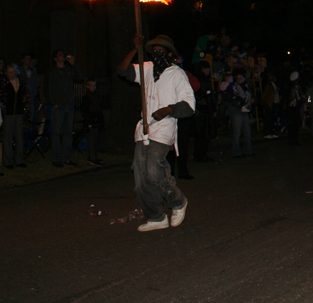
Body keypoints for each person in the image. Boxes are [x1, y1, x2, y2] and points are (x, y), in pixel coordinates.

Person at [118, 34, 195, 232]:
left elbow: (189, 105)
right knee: (140, 175)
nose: (157, 53)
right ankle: (156, 217)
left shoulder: (177, 74)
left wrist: (169, 109)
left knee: (153, 169)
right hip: (144, 128)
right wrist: (136, 49)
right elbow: (123, 70)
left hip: (164, 128)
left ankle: (177, 201)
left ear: (170, 54)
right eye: (154, 51)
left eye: (161, 51)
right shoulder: (147, 68)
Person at [43, 49, 84, 168]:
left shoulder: (68, 70)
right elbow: (46, 88)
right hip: (58, 107)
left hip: (69, 106)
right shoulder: (52, 72)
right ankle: (57, 159)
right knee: (56, 133)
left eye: (63, 54)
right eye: (60, 55)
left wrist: (73, 64)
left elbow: (80, 78)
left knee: (67, 133)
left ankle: (66, 158)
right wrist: (53, 102)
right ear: (55, 58)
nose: (63, 56)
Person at [0, 63, 29, 169]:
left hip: (19, 112)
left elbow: (25, 97)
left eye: (11, 72)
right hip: (8, 113)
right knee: (7, 137)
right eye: (7, 72)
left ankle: (19, 159)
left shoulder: (21, 82)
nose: (9, 74)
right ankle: (7, 161)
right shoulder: (4, 83)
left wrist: (25, 110)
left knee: (19, 137)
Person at [193, 61, 217, 162]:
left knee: (199, 135)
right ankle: (202, 156)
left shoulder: (195, 78)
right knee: (204, 134)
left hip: (199, 110)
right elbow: (208, 96)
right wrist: (213, 109)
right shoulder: (204, 80)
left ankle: (198, 155)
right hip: (204, 111)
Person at [229, 69, 254, 158]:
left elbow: (251, 96)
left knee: (247, 131)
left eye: (240, 78)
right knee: (237, 132)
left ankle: (248, 150)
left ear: (244, 78)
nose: (238, 80)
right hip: (237, 110)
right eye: (237, 78)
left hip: (245, 109)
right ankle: (236, 152)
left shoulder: (247, 87)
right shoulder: (234, 87)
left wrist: (252, 100)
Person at [81, 78, 105, 167]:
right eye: (91, 85)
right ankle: (92, 158)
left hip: (96, 122)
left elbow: (98, 110)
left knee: (95, 141)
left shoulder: (95, 96)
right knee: (91, 140)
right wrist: (90, 120)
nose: (93, 87)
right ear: (87, 86)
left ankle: (94, 157)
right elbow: (84, 111)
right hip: (91, 122)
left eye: (94, 85)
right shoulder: (86, 97)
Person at [19, 53, 39, 125]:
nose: (29, 60)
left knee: (32, 116)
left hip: (32, 97)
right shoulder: (19, 71)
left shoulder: (33, 70)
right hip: (22, 98)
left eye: (29, 59)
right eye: (27, 58)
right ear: (22, 60)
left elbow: (36, 83)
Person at [286, 71, 304, 146]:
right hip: (295, 107)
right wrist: (305, 100)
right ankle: (294, 140)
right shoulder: (296, 86)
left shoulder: (289, 86)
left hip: (289, 107)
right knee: (295, 125)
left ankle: (290, 140)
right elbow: (298, 98)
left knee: (291, 125)